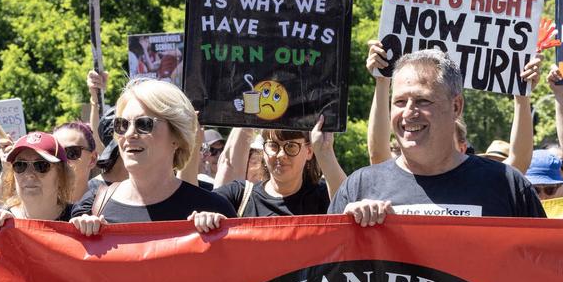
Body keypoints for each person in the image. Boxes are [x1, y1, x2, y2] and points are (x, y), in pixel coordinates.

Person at [329, 49, 546, 225]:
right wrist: (345, 229)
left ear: (456, 106)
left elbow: (543, 268)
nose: (408, 113)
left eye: (423, 101)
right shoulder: (358, 188)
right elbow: (325, 270)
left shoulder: (507, 185)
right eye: (400, 102)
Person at [72, 79, 236, 233]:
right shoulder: (91, 206)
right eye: (122, 125)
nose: (129, 134)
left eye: (144, 124)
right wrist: (82, 237)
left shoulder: (213, 208)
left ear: (176, 137)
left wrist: (218, 236)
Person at [209, 121, 345, 219]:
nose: (281, 155)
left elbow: (349, 205)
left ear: (309, 151)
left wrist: (325, 151)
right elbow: (197, 207)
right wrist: (205, 217)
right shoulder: (238, 195)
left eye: (291, 146)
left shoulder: (323, 196)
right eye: (273, 146)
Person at [0, 132, 76, 226]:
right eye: (20, 165)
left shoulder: (77, 221)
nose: (29, 174)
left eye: (41, 165)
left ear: (61, 175)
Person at [51, 121, 97, 204]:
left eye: (72, 152)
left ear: (92, 159)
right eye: (55, 153)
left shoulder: (106, 208)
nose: (62, 159)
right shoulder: (34, 209)